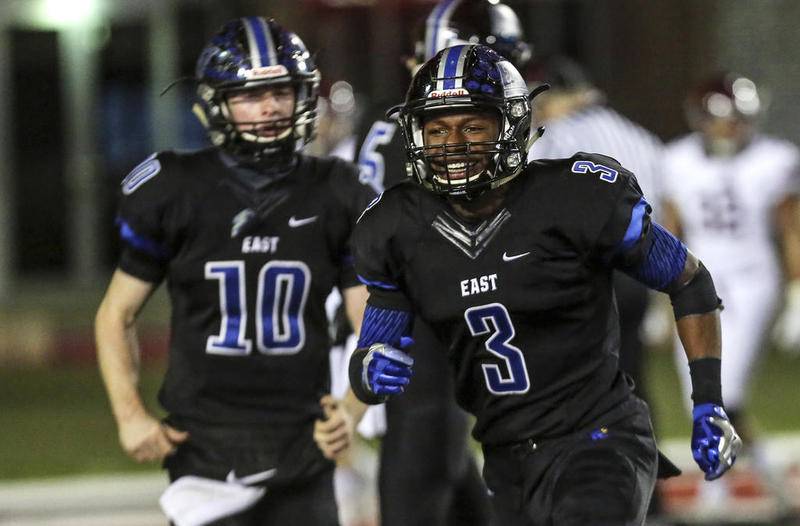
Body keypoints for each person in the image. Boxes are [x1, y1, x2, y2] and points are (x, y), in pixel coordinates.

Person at [346, 44, 742, 525]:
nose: (453, 144)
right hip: (507, 457)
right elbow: (374, 346)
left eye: (473, 126)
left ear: (510, 127)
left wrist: (708, 403)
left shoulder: (575, 196)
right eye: (436, 129)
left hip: (600, 438)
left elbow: (690, 281)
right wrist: (368, 368)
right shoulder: (395, 226)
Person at [95, 16, 374, 526]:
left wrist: (352, 409)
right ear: (216, 103)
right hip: (204, 452)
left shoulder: (338, 191)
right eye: (250, 95)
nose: (269, 108)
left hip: (303, 445)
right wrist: (129, 414)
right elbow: (117, 314)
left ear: (303, 95)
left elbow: (373, 323)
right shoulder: (174, 189)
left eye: (281, 92)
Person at [337, 2, 531, 525]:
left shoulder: (386, 116)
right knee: (426, 442)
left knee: (445, 456)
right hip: (413, 310)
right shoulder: (446, 125)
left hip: (375, 300)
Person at [660, 72, 800, 502]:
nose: (731, 127)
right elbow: (670, 231)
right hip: (695, 277)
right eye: (724, 118)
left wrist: (797, 293)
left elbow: (791, 229)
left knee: (724, 390)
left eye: (740, 118)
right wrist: (657, 296)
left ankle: (715, 496)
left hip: (754, 279)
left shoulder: (777, 158)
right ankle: (774, 491)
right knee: (698, 398)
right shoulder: (675, 158)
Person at [525, 54, 665, 453]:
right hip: (638, 271)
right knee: (632, 381)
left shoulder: (555, 135)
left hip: (586, 275)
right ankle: (647, 493)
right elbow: (666, 211)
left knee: (574, 387)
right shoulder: (639, 136)